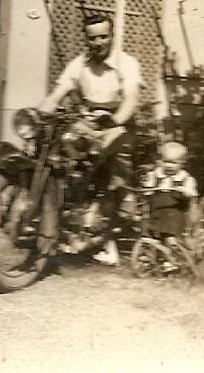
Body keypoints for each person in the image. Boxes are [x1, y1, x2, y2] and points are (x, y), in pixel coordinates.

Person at [39, 14, 143, 265]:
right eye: (92, 38)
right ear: (86, 39)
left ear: (112, 36)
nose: (98, 43)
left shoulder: (127, 63)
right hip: (87, 123)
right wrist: (45, 107)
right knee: (61, 157)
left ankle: (107, 236)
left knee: (113, 176)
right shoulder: (79, 64)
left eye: (103, 37)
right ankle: (61, 221)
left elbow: (130, 99)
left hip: (118, 124)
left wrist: (115, 120)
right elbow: (59, 91)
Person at [143, 141, 198, 255]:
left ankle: (172, 256)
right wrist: (148, 188)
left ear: (182, 163)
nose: (169, 165)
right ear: (160, 161)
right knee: (152, 233)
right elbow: (147, 189)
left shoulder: (185, 178)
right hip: (157, 212)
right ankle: (153, 255)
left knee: (170, 237)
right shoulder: (155, 175)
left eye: (173, 162)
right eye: (166, 161)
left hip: (174, 215)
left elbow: (192, 193)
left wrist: (185, 191)